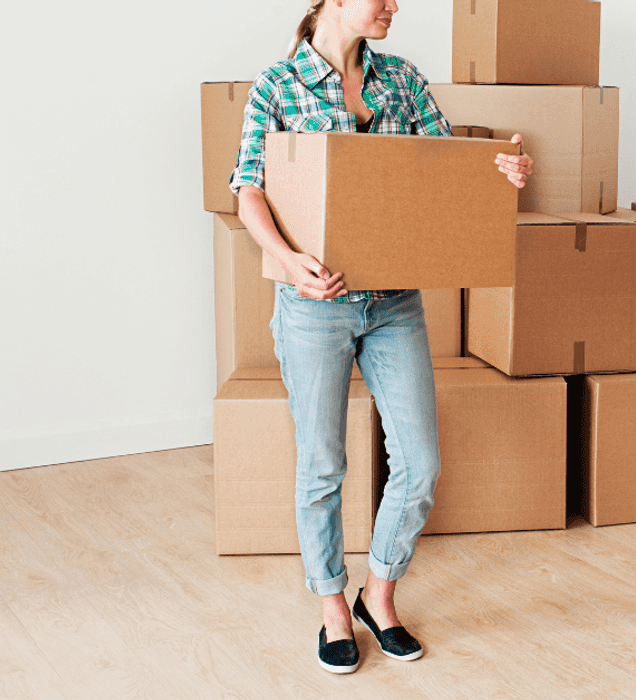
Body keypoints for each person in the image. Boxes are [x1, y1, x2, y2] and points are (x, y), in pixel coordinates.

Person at [229, 0, 534, 674]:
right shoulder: (277, 86)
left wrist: (501, 171)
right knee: (322, 465)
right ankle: (333, 607)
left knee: (420, 462)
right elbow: (247, 188)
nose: (394, 5)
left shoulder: (400, 78)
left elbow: (447, 167)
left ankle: (380, 595)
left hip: (395, 302)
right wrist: (286, 261)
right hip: (315, 306)